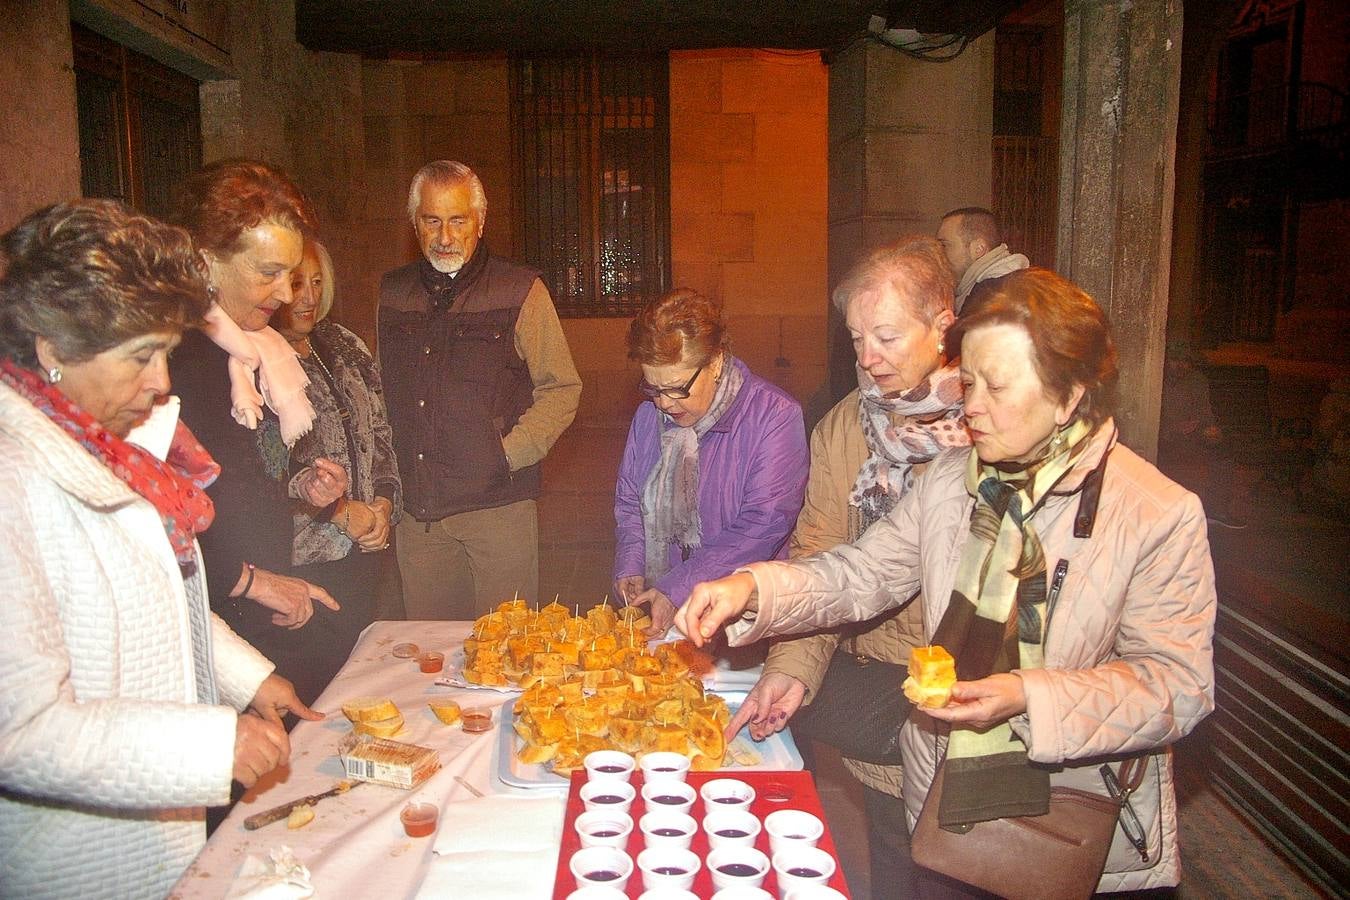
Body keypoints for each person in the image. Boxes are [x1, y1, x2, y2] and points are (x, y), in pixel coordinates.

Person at [678, 268, 1217, 896]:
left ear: (1069, 396)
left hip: (1073, 825)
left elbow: (1178, 687)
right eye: (969, 382)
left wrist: (1026, 696)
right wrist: (754, 589)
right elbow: (861, 573)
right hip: (941, 800)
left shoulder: (1156, 512)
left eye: (997, 386)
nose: (973, 406)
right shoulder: (950, 483)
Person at [0, 200, 318, 897]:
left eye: (165, 354)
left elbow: (154, 595)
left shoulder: (102, 441)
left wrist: (243, 676)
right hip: (75, 860)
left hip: (153, 822)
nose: (162, 383)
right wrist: (212, 743)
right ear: (53, 349)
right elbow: (18, 731)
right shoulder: (12, 479)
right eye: (141, 358)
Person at [730, 237, 968, 898]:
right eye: (857, 337)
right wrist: (789, 671)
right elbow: (820, 565)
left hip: (966, 699)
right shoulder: (843, 429)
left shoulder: (988, 423)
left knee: (962, 874)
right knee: (893, 858)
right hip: (880, 703)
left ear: (942, 322)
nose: (867, 357)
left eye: (887, 336)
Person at [171, 158, 352, 705]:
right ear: (206, 262)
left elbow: (241, 468)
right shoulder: (174, 358)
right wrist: (250, 580)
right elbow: (161, 521)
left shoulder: (251, 348)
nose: (286, 291)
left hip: (255, 598)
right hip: (205, 617)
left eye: (292, 273)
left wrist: (298, 483)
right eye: (268, 271)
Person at [379, 160, 581, 619]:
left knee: (506, 655)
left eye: (458, 220)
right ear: (415, 224)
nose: (445, 237)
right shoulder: (392, 293)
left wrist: (506, 454)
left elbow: (562, 386)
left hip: (498, 509)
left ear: (480, 221)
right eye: (432, 220)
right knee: (431, 656)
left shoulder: (520, 289)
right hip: (420, 516)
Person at [612, 288, 809, 636]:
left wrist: (678, 585)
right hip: (666, 607)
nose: (663, 404)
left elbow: (763, 523)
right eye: (653, 388)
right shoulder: (647, 417)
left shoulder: (774, 416)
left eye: (676, 388)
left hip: (747, 619)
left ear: (716, 361)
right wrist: (632, 564)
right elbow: (630, 501)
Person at [273, 238, 402, 658]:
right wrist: (343, 512)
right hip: (305, 561)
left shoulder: (345, 343)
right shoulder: (256, 358)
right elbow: (273, 471)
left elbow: (381, 434)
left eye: (315, 281)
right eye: (295, 283)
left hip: (366, 551)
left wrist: (383, 507)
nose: (308, 296)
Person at [936, 207, 1029, 313]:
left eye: (944, 245)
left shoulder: (994, 296)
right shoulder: (990, 287)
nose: (938, 254)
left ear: (979, 249)